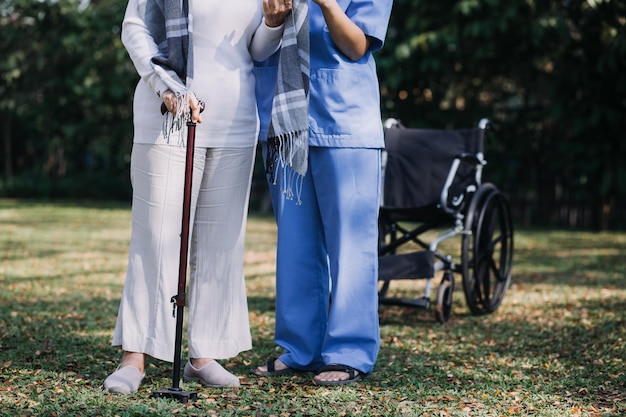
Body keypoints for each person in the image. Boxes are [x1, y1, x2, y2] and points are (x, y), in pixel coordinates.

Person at [103, 0, 292, 394]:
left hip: (236, 119)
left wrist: (273, 24)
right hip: (168, 114)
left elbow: (253, 50)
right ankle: (134, 356)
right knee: (157, 238)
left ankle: (203, 354)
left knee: (220, 242)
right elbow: (135, 27)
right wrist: (165, 85)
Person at [252, 0, 393, 385]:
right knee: (296, 245)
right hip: (283, 121)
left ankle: (349, 352)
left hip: (345, 122)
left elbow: (356, 46)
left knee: (351, 245)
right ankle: (301, 350)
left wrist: (327, 4)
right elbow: (254, 44)